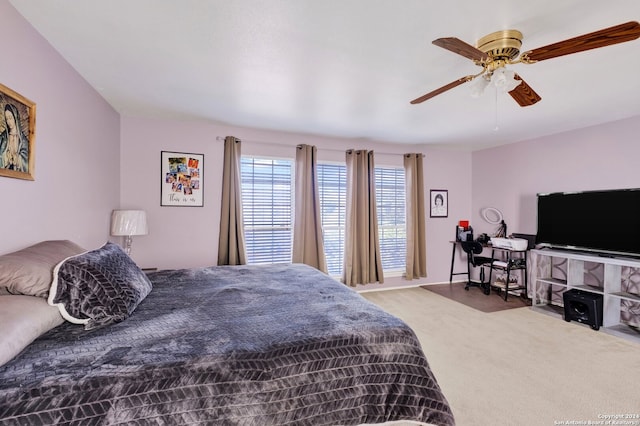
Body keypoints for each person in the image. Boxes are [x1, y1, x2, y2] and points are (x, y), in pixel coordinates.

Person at [0, 103, 30, 172]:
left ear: (15, 117)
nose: (8, 121)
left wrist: (18, 159)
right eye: (7, 118)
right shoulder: (3, 137)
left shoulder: (23, 140)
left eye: (10, 118)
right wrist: (5, 157)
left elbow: (26, 159)